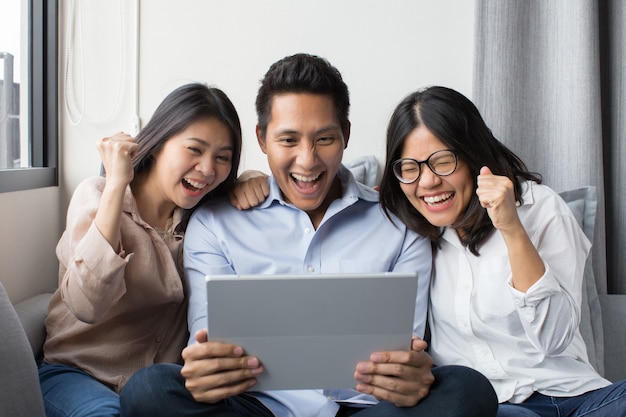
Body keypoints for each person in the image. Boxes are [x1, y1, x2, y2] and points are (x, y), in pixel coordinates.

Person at [120, 53, 498, 417]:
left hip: (365, 408)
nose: (307, 160)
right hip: (254, 406)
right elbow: (207, 340)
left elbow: (405, 349)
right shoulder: (215, 223)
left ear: (346, 135)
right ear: (262, 139)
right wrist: (205, 370)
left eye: (324, 139)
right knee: (148, 390)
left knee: (469, 390)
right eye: (288, 141)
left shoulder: (399, 222)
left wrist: (409, 373)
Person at [378, 85, 626, 417]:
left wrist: (511, 228)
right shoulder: (412, 236)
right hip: (488, 407)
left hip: (573, 399)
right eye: (410, 168)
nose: (427, 182)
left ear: (474, 156)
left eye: (443, 161)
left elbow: (554, 338)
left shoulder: (540, 208)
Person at [39, 83, 244, 417]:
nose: (208, 169)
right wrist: (117, 183)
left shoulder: (207, 222)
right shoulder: (97, 195)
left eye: (222, 158)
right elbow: (86, 305)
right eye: (194, 149)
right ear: (160, 142)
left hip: (157, 390)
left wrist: (250, 181)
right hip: (75, 374)